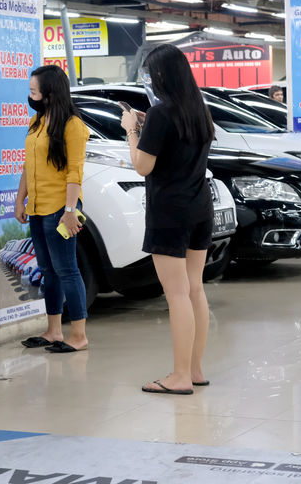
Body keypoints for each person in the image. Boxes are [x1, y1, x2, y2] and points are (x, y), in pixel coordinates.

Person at [121, 45, 216, 395]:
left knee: (176, 294)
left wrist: (132, 130)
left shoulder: (161, 114)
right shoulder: (199, 110)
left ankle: (178, 377)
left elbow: (143, 165)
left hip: (169, 212)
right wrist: (148, 129)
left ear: (160, 76)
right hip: (199, 209)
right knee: (194, 288)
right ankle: (194, 369)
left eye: (150, 74)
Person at [14, 65, 91, 354]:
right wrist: (20, 199)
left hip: (61, 207)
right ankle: (54, 330)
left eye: (34, 91)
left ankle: (79, 334)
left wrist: (70, 210)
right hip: (37, 206)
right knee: (47, 270)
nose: (30, 96)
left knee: (67, 269)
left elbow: (75, 173)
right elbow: (28, 165)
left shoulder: (73, 126)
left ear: (49, 93)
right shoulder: (38, 122)